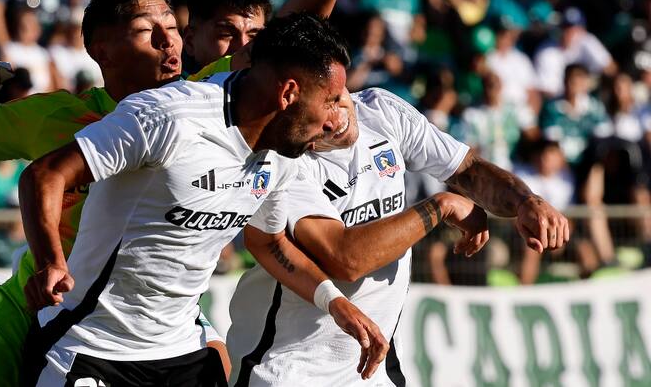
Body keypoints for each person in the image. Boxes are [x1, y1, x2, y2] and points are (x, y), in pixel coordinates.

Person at [20, 13, 387, 386]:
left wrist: (335, 303)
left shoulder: (283, 153)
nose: (333, 120)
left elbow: (269, 241)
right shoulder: (170, 117)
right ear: (288, 93)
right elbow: (45, 174)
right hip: (90, 344)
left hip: (181, 350)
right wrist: (49, 262)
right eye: (329, 101)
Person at [228, 82, 570, 386]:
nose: (338, 115)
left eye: (337, 96)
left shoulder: (381, 110)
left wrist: (527, 201)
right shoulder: (278, 159)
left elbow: (466, 168)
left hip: (374, 368)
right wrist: (440, 207)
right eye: (323, 107)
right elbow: (345, 258)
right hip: (287, 368)